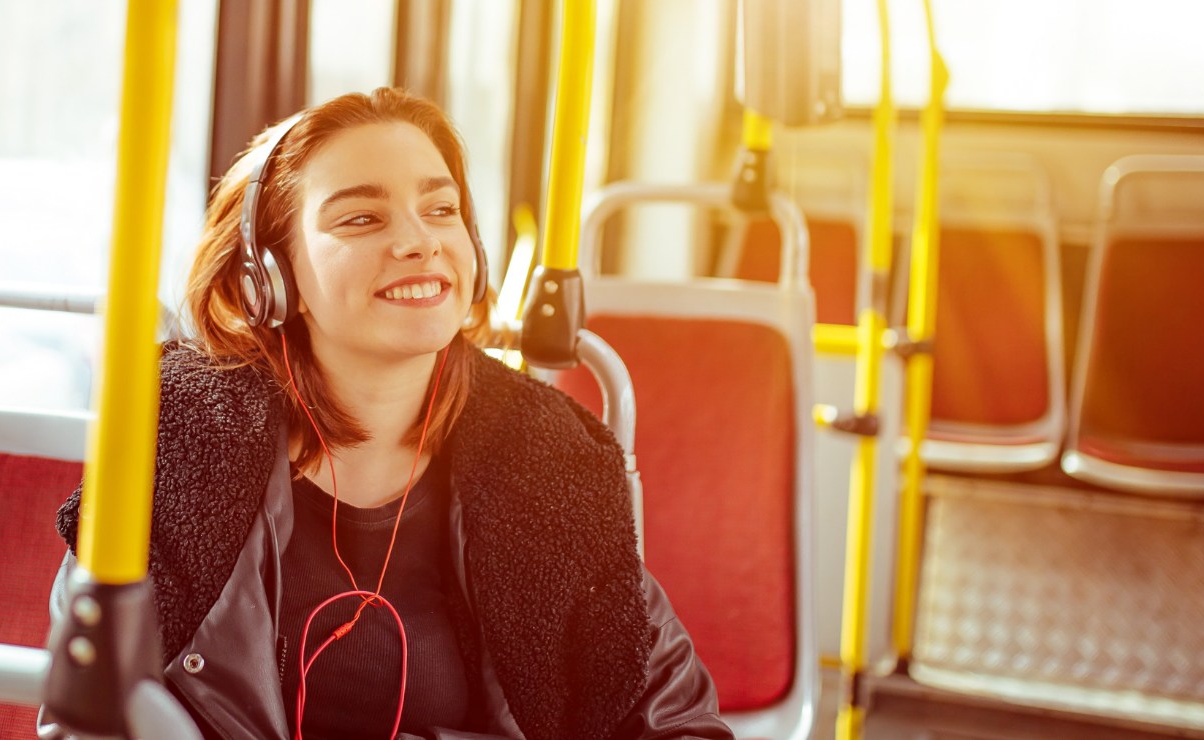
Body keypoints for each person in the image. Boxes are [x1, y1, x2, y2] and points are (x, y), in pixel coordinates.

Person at [47, 88, 731, 740]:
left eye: (441, 211)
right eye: (361, 219)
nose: (419, 242)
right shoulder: (180, 449)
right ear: (271, 276)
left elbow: (678, 721)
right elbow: (85, 719)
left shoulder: (549, 463)